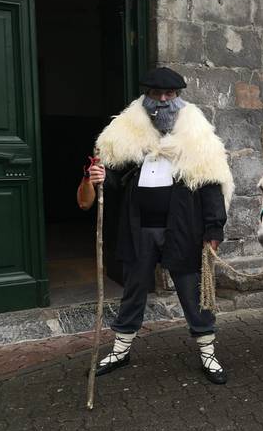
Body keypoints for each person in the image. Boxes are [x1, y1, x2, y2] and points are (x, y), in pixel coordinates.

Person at [88, 67, 234, 384]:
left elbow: (210, 183)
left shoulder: (196, 134)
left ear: (178, 97)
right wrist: (100, 175)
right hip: (139, 228)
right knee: (134, 289)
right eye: (156, 94)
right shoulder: (128, 131)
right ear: (147, 96)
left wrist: (213, 230)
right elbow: (111, 173)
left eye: (170, 95)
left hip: (182, 229)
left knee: (192, 290)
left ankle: (207, 352)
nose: (163, 100)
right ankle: (121, 349)